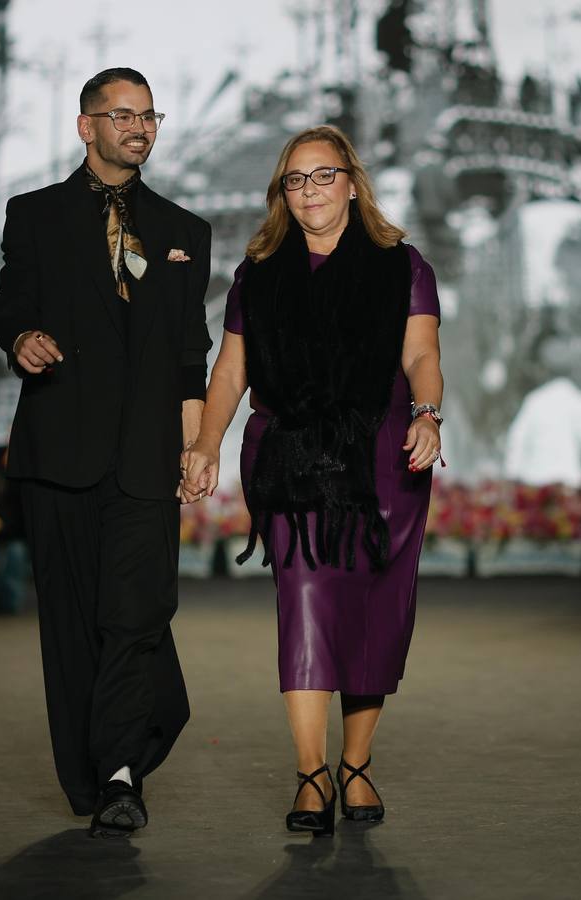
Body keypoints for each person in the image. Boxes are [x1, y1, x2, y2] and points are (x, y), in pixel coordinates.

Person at [184, 126, 443, 836]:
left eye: (323, 176)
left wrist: (428, 415)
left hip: (385, 450)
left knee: (373, 609)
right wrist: (206, 444)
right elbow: (231, 371)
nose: (309, 191)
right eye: (295, 180)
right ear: (282, 193)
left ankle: (355, 764)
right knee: (303, 598)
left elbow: (421, 354)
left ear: (352, 184)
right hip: (290, 452)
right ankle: (311, 773)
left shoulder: (402, 265)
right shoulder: (258, 273)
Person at [0, 67, 212, 837]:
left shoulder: (186, 231)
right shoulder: (36, 215)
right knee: (75, 621)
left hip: (147, 456)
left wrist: (197, 446)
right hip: (59, 450)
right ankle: (94, 768)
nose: (139, 128)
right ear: (86, 126)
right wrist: (21, 337)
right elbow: (10, 299)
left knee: (134, 611)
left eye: (149, 116)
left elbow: (191, 353)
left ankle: (119, 773)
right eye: (122, 116)